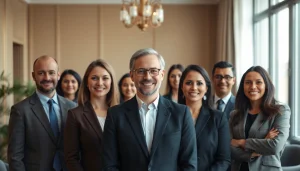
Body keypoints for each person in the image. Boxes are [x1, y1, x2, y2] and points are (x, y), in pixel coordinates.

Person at [102, 48, 197, 171]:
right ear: (132, 75)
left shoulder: (181, 113)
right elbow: (109, 164)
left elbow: (189, 164)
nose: (147, 77)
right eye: (141, 71)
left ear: (162, 75)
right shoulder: (115, 114)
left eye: (153, 71)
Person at [8, 55, 76, 171]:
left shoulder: (72, 108)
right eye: (41, 73)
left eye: (51, 72)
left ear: (58, 75)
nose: (47, 77)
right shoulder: (20, 111)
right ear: (33, 76)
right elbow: (15, 157)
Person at [230, 66, 291, 171]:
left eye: (258, 82)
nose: (253, 87)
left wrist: (242, 143)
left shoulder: (280, 110)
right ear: (242, 86)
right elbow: (227, 146)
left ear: (266, 85)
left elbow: (275, 146)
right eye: (248, 82)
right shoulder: (235, 114)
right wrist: (255, 151)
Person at [64, 59, 119, 171]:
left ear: (111, 82)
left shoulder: (121, 113)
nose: (99, 83)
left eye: (105, 78)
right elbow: (71, 159)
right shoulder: (75, 115)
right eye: (94, 78)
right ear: (87, 83)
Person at [178, 64, 231, 171]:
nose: (194, 87)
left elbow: (224, 159)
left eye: (199, 83)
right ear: (182, 87)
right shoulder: (171, 117)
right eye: (189, 83)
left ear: (206, 88)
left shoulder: (218, 118)